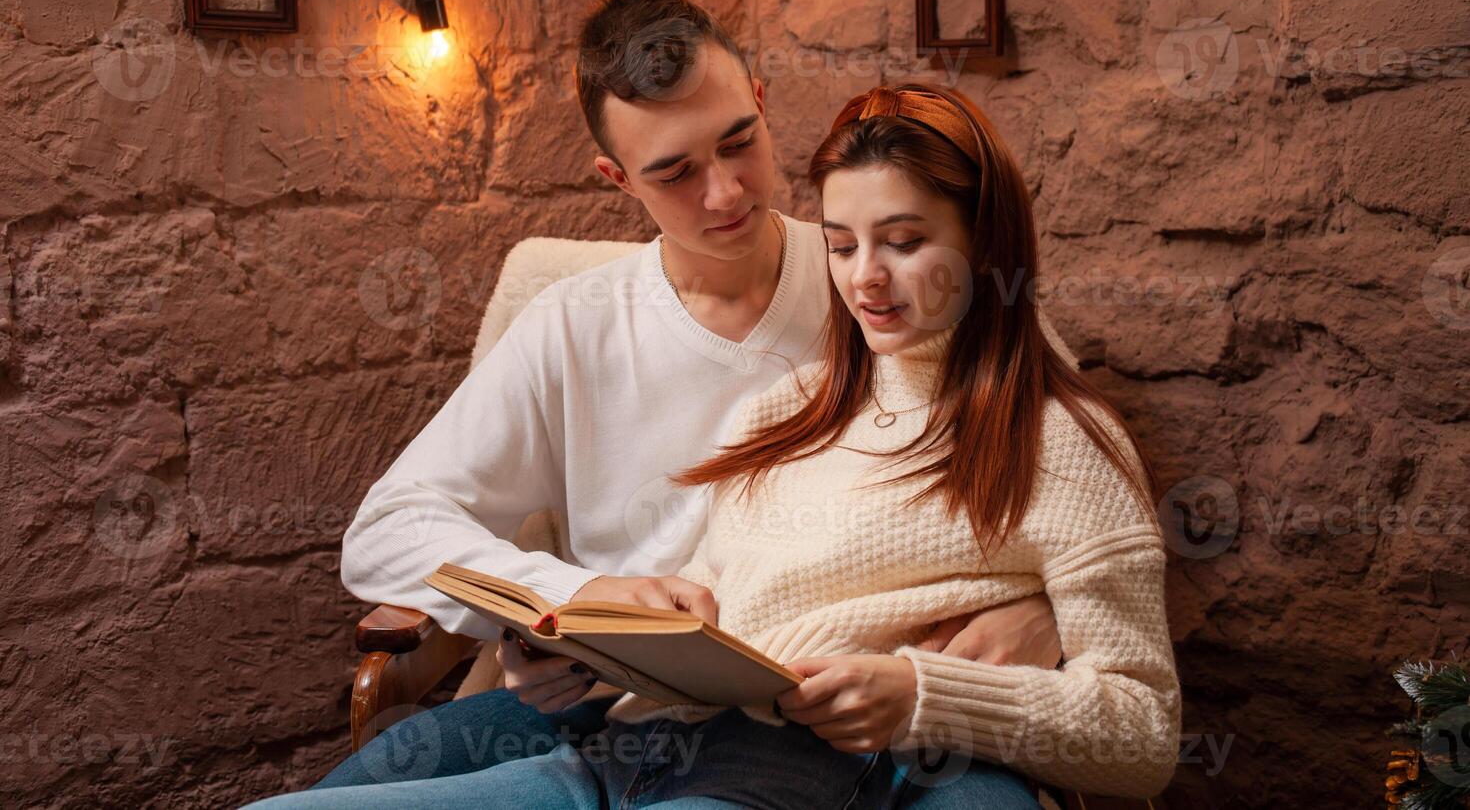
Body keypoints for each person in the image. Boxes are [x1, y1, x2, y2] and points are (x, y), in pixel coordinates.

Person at [245, 83, 1179, 810]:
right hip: (627, 731)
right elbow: (714, 607)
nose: (866, 280)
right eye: (844, 245)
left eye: (903, 241)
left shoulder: (1064, 445)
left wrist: (923, 691)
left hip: (776, 767)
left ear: (985, 243)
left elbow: (1143, 732)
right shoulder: (788, 410)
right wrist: (577, 644)